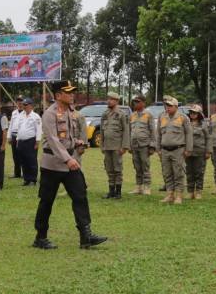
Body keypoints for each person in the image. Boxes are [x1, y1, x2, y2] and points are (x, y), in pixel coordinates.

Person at [32, 80, 106, 250]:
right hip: (53, 165)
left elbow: (67, 137)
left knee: (80, 196)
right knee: (46, 201)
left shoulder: (71, 113)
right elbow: (53, 140)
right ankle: (40, 237)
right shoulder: (49, 114)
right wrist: (68, 159)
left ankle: (85, 236)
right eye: (68, 92)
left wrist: (77, 142)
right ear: (58, 95)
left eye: (73, 92)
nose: (72, 94)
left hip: (70, 164)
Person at [157, 95, 193, 205]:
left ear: (176, 106)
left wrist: (188, 149)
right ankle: (169, 194)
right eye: (166, 105)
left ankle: (178, 195)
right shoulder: (162, 117)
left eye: (170, 106)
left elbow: (189, 134)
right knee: (167, 173)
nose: (168, 108)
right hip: (165, 150)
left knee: (178, 173)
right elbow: (158, 134)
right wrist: (158, 148)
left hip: (178, 150)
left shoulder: (183, 118)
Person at [100, 91, 130, 199]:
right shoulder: (105, 114)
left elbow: (126, 131)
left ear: (117, 101)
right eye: (108, 99)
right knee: (109, 169)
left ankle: (118, 192)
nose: (109, 101)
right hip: (107, 146)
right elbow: (102, 131)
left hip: (117, 146)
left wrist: (124, 146)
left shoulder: (121, 114)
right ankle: (111, 191)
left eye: (111, 99)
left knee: (117, 169)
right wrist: (101, 145)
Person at [128, 95, 155, 195]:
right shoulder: (132, 115)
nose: (135, 103)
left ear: (143, 103)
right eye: (135, 102)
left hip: (144, 145)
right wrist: (129, 145)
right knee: (137, 167)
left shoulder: (148, 115)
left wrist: (152, 146)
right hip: (134, 145)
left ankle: (147, 187)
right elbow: (130, 131)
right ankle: (138, 187)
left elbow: (153, 131)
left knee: (145, 166)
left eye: (138, 101)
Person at [186, 104, 211, 200]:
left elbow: (208, 138)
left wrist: (208, 151)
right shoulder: (186, 124)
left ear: (199, 114)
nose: (192, 114)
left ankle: (199, 191)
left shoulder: (204, 125)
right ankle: (190, 191)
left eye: (195, 113)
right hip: (188, 152)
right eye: (191, 112)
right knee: (189, 172)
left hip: (200, 151)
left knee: (199, 172)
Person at [16, 98, 41, 186]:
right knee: (23, 161)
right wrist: (18, 140)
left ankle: (33, 179)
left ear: (31, 105)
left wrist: (37, 142)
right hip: (21, 141)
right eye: (23, 105)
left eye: (26, 105)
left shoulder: (35, 116)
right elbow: (19, 128)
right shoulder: (21, 115)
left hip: (31, 141)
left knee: (31, 160)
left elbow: (38, 130)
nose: (24, 106)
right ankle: (26, 179)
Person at [8, 96, 24, 179]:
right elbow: (11, 124)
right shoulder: (14, 112)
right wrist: (9, 136)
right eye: (18, 101)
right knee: (15, 155)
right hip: (14, 135)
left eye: (21, 101)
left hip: (21, 136)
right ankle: (17, 173)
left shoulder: (26, 112)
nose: (19, 103)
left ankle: (24, 173)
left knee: (22, 155)